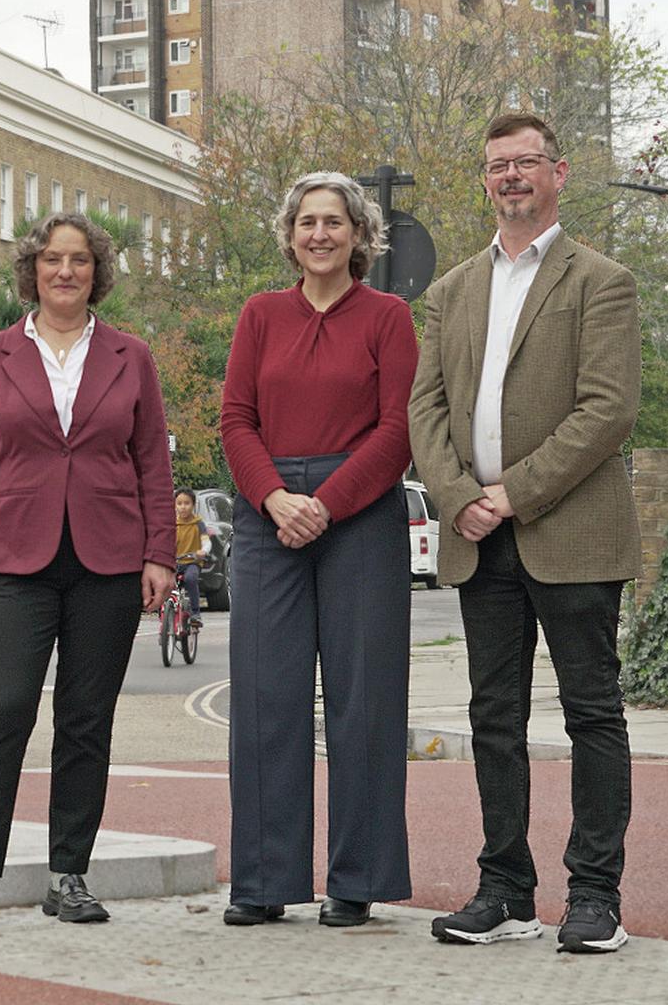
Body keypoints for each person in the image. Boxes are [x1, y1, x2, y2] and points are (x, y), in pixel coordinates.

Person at [407, 112, 643, 955]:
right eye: (497, 165)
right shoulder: (451, 290)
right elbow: (423, 407)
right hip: (477, 536)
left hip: (571, 530)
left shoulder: (600, 281)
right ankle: (504, 889)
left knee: (590, 714)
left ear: (558, 173)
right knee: (492, 718)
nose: (511, 176)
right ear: (485, 180)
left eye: (526, 162)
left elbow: (607, 409)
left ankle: (594, 897)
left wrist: (511, 493)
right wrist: (457, 494)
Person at [0, 213, 177, 933]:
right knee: (1, 709)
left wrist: (161, 554)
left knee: (85, 721)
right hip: (16, 560)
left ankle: (69, 875)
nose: (66, 271)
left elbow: (153, 461)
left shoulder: (131, 356)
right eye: (53, 260)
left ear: (97, 272)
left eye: (80, 261)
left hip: (109, 561)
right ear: (32, 270)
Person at [218, 171, 419, 930]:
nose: (319, 234)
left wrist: (325, 505)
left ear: (358, 234)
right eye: (306, 221)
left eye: (334, 221)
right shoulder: (260, 315)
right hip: (268, 514)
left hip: (359, 515)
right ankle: (264, 879)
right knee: (265, 699)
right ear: (290, 234)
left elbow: (396, 430)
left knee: (362, 700)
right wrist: (274, 499)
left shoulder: (388, 317)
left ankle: (357, 878)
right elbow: (236, 419)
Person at [171, 490, 206, 627]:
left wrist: (203, 551)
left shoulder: (198, 523)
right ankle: (167, 609)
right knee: (166, 581)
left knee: (190, 578)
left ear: (193, 505)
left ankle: (195, 613)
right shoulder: (173, 524)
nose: (183, 507)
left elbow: (206, 541)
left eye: (187, 503)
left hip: (192, 562)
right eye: (179, 503)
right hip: (176, 561)